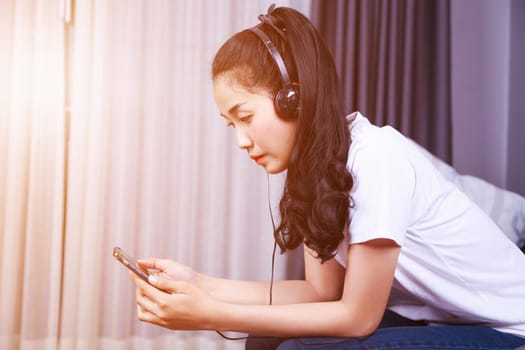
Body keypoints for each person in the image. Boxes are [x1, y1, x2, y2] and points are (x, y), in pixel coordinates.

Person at [130, 5, 525, 349]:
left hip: (508, 329)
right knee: (266, 338)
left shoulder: (376, 157)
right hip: (447, 319)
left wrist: (212, 314)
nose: (240, 140)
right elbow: (320, 292)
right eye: (230, 124)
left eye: (245, 117)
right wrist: (199, 284)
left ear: (294, 99)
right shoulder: (317, 170)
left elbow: (358, 318)